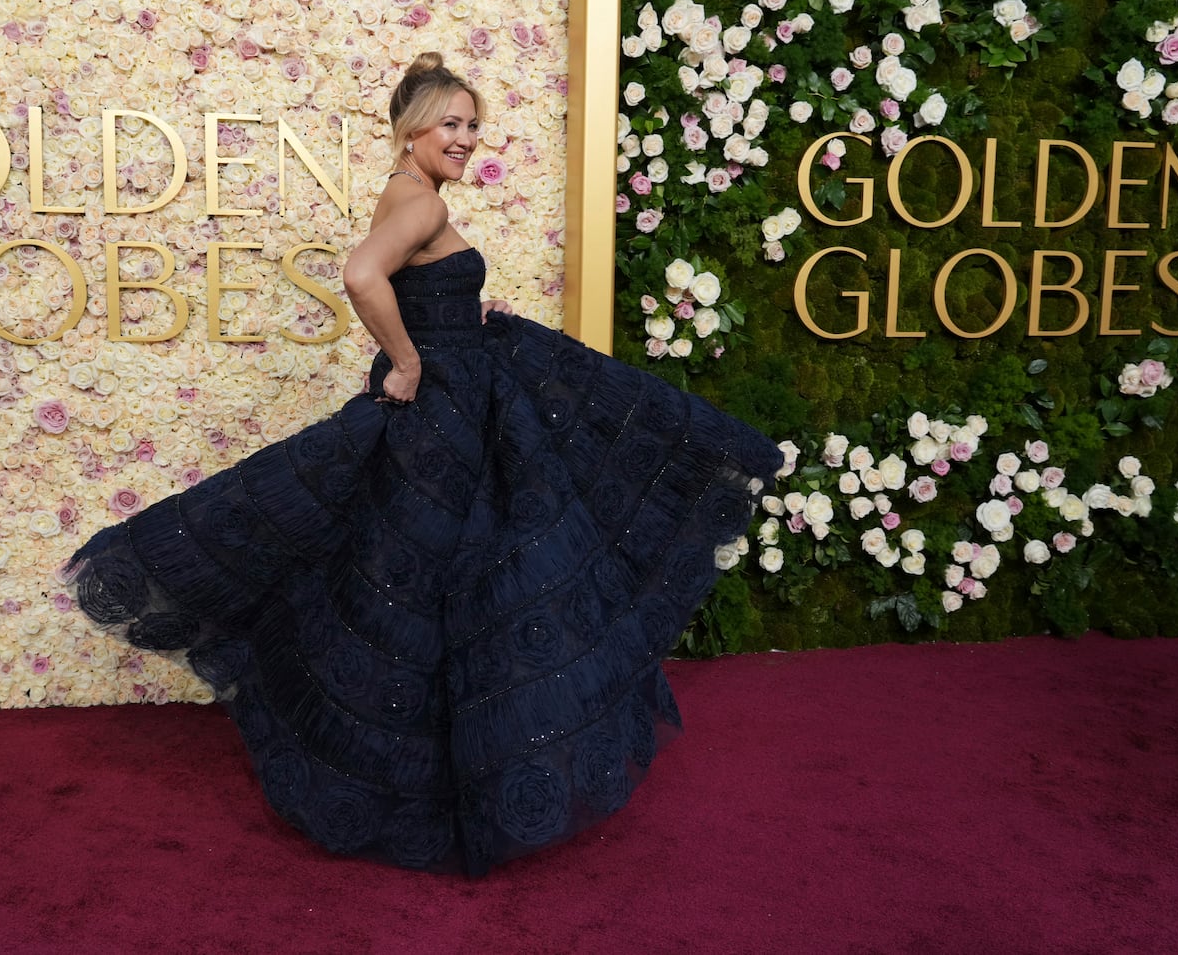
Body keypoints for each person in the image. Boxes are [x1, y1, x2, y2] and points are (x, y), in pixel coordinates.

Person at [64, 52, 784, 876]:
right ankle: (435, 784)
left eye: (473, 126)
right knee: (453, 583)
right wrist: (407, 361)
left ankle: (435, 775)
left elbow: (404, 283)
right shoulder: (414, 202)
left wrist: (453, 328)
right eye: (452, 124)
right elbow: (362, 274)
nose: (466, 139)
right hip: (438, 424)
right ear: (412, 131)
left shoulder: (410, 195)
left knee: (424, 585)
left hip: (458, 413)